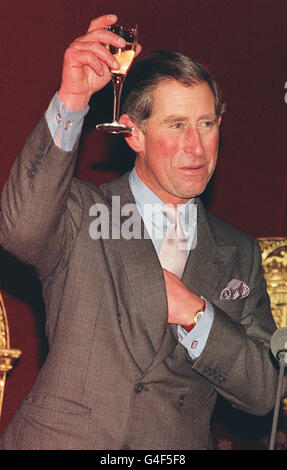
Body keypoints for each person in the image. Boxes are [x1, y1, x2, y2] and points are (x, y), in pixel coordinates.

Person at [0, 14, 278, 450]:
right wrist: (72, 98)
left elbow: (265, 391)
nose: (196, 147)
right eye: (176, 125)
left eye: (206, 124)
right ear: (134, 134)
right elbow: (18, 229)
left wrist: (196, 313)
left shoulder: (237, 251)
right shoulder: (83, 212)